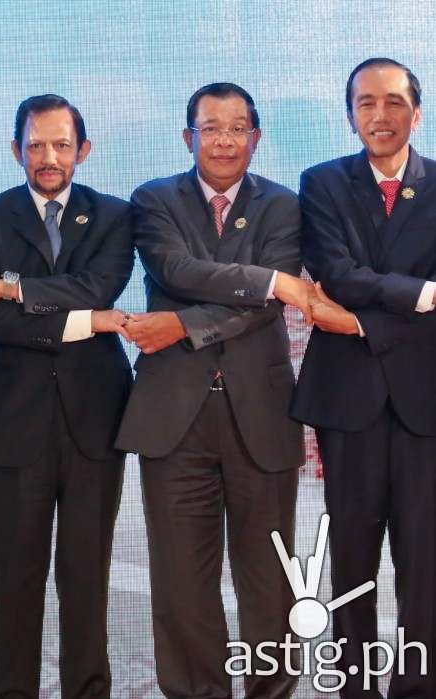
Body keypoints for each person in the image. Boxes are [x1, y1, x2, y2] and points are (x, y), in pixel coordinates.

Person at [115, 82, 312, 698]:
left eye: (237, 128)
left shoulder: (285, 207)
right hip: (174, 417)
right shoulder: (152, 201)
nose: (224, 140)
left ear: (255, 137)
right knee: (180, 580)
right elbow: (175, 269)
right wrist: (270, 281)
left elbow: (259, 312)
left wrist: (179, 323)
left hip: (262, 410)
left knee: (269, 580)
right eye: (210, 127)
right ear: (188, 137)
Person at [0, 94, 133, 697]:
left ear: (82, 150)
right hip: (15, 425)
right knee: (15, 579)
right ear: (16, 151)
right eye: (35, 145)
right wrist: (88, 319)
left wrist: (12, 286)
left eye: (61, 144)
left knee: (86, 577)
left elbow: (101, 285)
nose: (49, 157)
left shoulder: (115, 216)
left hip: (96, 421)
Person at [291, 57, 436, 698]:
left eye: (394, 102)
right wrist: (425, 295)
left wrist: (362, 321)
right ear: (350, 113)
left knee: (425, 560)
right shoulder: (322, 183)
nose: (380, 115)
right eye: (366, 103)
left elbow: (354, 296)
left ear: (417, 111)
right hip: (347, 398)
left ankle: (417, 686)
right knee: (351, 554)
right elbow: (337, 274)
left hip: (426, 399)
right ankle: (354, 686)